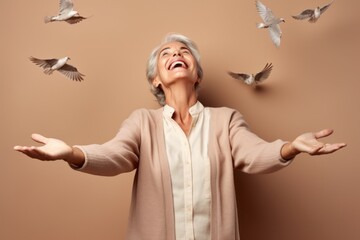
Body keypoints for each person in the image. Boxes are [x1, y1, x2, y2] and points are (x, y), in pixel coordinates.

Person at [14, 33, 346, 240]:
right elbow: (114, 155)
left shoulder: (225, 120)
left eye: (184, 51)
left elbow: (255, 154)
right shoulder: (142, 122)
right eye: (166, 53)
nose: (176, 54)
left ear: (197, 73)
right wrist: (72, 152)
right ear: (156, 80)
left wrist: (290, 148)